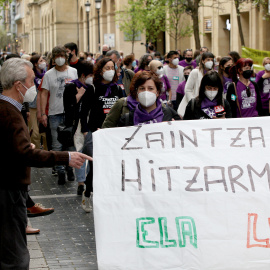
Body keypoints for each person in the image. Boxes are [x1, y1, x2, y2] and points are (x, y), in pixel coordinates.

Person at [0, 57, 92, 270]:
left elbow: (15, 148)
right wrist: (66, 157)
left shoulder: (8, 108)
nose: (35, 85)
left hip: (9, 187)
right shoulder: (9, 113)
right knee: (14, 254)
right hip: (10, 188)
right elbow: (25, 154)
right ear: (18, 85)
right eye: (32, 81)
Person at [80, 58, 123, 212]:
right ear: (100, 70)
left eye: (112, 67)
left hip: (113, 134)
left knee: (112, 165)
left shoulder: (118, 89)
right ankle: (87, 192)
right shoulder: (92, 88)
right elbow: (84, 111)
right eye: (107, 68)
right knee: (96, 165)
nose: (110, 70)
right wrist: (85, 130)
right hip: (96, 132)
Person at [40, 46, 78, 184]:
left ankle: (69, 169)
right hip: (54, 113)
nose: (59, 58)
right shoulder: (49, 74)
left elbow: (79, 90)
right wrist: (43, 113)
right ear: (53, 59)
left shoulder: (73, 72)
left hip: (70, 113)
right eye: (57, 56)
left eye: (62, 55)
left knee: (70, 143)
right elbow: (43, 93)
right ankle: (60, 170)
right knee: (57, 144)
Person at [63, 61, 94, 194]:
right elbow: (68, 108)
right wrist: (79, 95)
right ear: (83, 75)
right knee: (80, 153)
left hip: (88, 123)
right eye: (91, 74)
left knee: (89, 154)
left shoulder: (92, 88)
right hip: (77, 125)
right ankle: (81, 182)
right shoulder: (71, 87)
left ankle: (87, 180)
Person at [178, 52, 215, 117]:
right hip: (195, 105)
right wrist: (193, 103)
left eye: (212, 60)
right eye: (208, 60)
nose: (210, 62)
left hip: (208, 106)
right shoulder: (195, 72)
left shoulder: (214, 74)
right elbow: (188, 89)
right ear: (203, 61)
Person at [29, 54, 47, 150]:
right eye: (41, 60)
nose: (43, 62)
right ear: (35, 64)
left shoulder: (46, 75)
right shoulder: (31, 76)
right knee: (35, 133)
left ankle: (46, 153)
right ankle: (35, 152)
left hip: (43, 107)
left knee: (44, 133)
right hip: (33, 106)